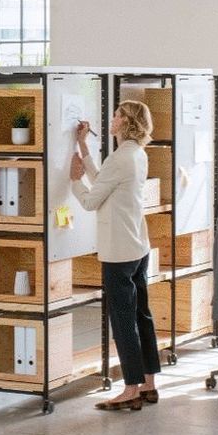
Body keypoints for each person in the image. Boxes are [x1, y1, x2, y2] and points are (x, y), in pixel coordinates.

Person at [70, 101, 160, 411]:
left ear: (127, 122)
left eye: (118, 114)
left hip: (119, 251)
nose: (112, 118)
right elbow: (104, 181)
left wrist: (73, 181)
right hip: (137, 246)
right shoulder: (136, 154)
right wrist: (83, 145)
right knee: (141, 316)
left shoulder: (121, 158)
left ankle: (130, 388)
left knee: (123, 321)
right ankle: (148, 383)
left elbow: (91, 200)